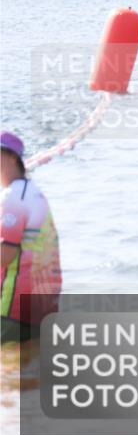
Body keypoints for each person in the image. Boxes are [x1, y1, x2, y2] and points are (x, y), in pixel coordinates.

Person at [1, 131, 61, 344]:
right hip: (43, 303)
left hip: (14, 305)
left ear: (11, 157)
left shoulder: (14, 197)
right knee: (25, 369)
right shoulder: (34, 192)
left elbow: (5, 256)